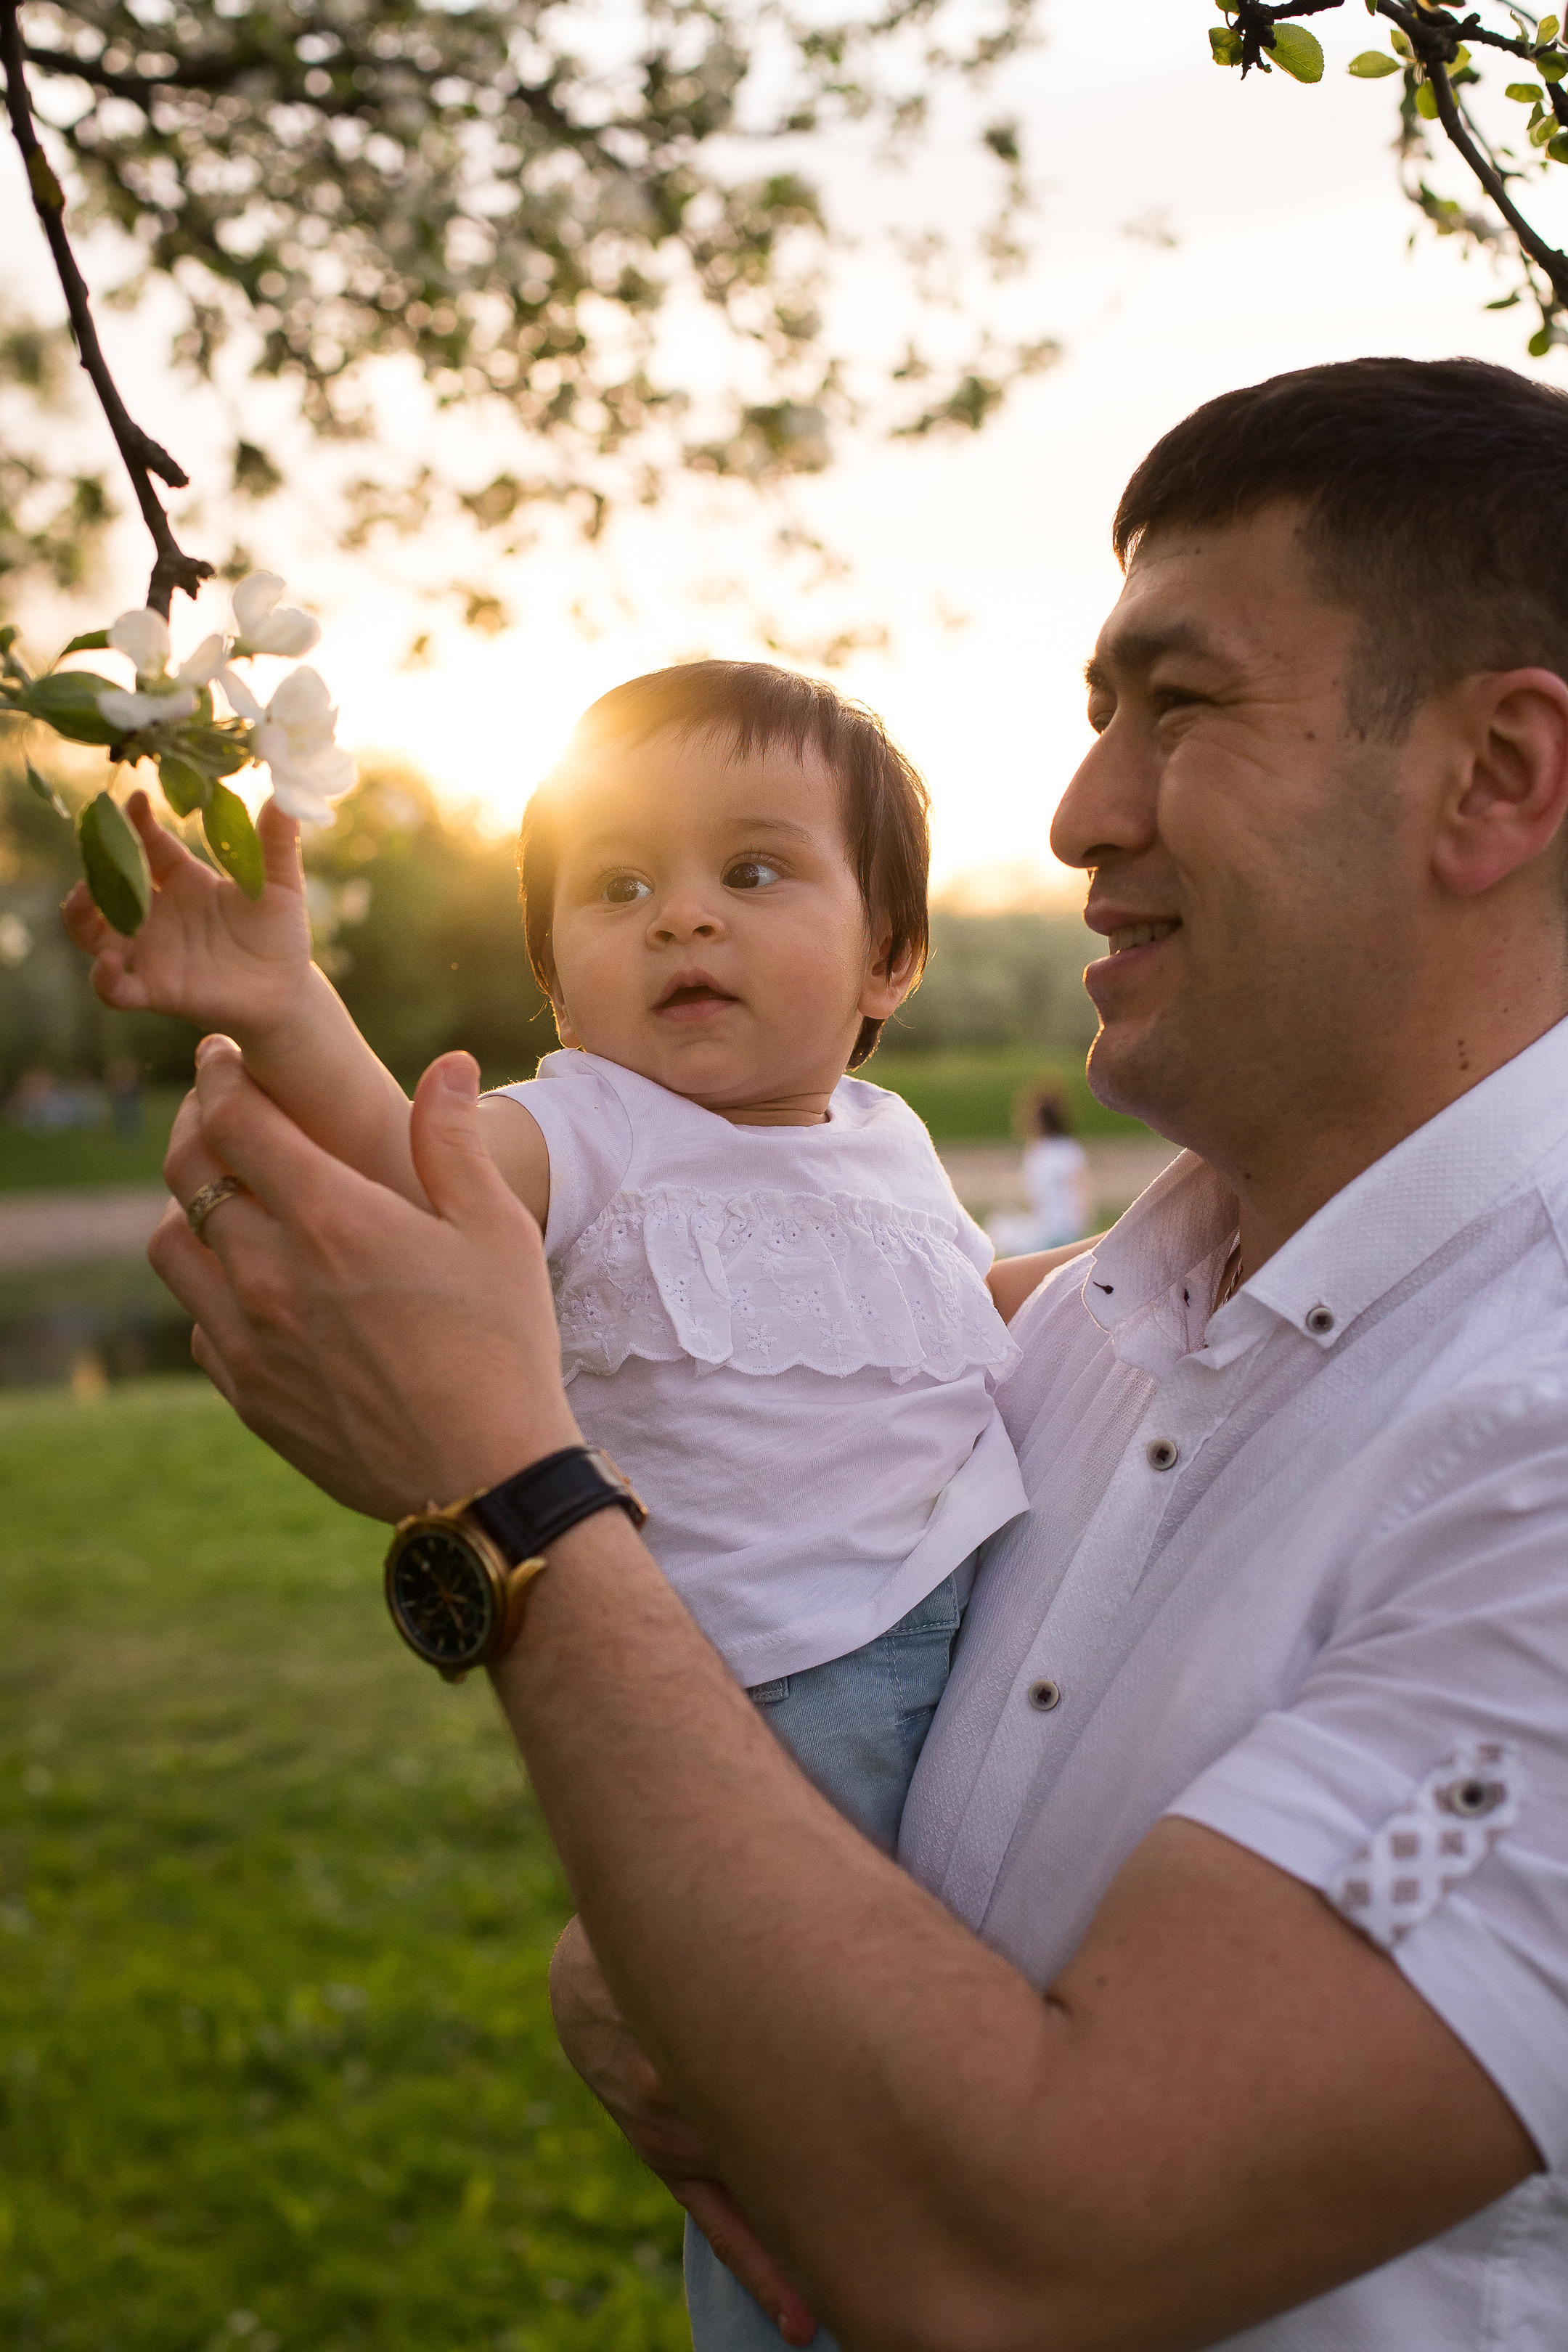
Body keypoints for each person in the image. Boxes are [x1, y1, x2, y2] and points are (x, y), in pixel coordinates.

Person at [145, 354, 1568, 2351]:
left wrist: (505, 1500)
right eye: (1093, 721)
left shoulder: (1538, 1437)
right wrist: (674, 1954)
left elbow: (1035, 2246)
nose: (1079, 811)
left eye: (1181, 707)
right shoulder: (1099, 1318)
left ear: (1497, 777)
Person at [64, 660, 1079, 2337]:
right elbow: (410, 1171)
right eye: (618, 887)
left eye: (751, 871)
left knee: (975, 2108)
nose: (680, 917)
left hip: (973, 1666)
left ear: (890, 951)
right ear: (552, 971)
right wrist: (289, 999)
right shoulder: (589, 1130)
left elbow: (947, 1325)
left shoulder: (890, 1138)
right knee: (797, 2157)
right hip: (774, 1719)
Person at [985, 1079, 1091, 1257]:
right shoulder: (1067, 1149)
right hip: (1064, 1229)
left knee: (997, 1228)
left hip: (1054, 1232)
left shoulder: (1041, 1153)